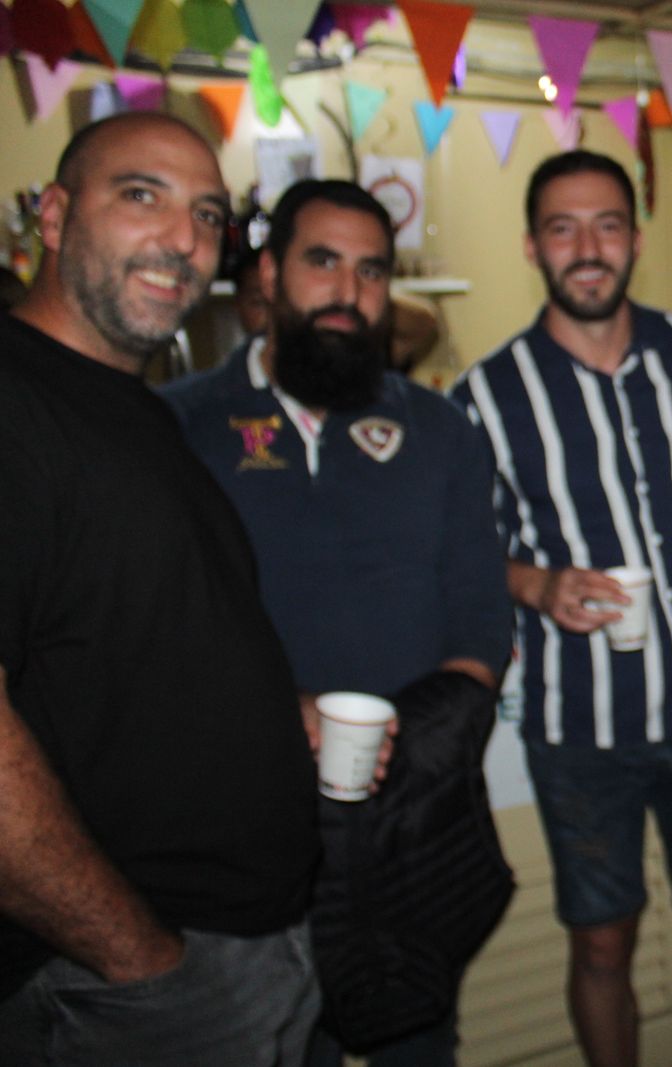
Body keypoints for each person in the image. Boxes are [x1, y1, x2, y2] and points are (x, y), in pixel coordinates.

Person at [162, 178, 510, 1064]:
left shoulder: (439, 430)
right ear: (270, 275)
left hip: (411, 828)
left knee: (417, 1043)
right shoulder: (179, 427)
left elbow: (479, 618)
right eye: (323, 263)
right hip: (246, 835)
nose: (349, 293)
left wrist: (420, 743)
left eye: (371, 271)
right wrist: (280, 716)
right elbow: (154, 633)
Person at [0, 113, 321, 1065]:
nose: (184, 238)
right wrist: (138, 960)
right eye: (142, 195)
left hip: (239, 947)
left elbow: (118, 641)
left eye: (208, 214)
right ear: (53, 217)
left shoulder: (128, 409)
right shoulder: (15, 403)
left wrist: (273, 708)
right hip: (128, 980)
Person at [450, 150, 672, 1067]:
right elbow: (465, 554)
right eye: (563, 227)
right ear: (532, 246)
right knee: (600, 944)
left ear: (633, 238)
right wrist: (538, 585)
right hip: (579, 726)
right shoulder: (485, 396)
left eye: (607, 225)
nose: (587, 247)